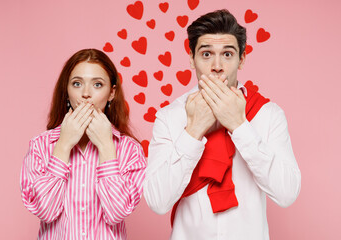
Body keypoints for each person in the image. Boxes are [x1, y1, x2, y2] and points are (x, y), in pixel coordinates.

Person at [143, 9, 301, 240]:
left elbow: (287, 193)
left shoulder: (268, 115)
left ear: (242, 59)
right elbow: (157, 202)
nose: (217, 66)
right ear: (191, 59)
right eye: (206, 54)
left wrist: (239, 125)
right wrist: (193, 131)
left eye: (227, 54)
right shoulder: (170, 117)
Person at [20, 49, 146, 239]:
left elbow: (116, 213)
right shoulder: (41, 146)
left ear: (111, 93)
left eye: (97, 84)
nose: (86, 94)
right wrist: (63, 145)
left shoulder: (130, 150)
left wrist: (105, 146)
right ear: (66, 91)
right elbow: (45, 212)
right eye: (77, 84)